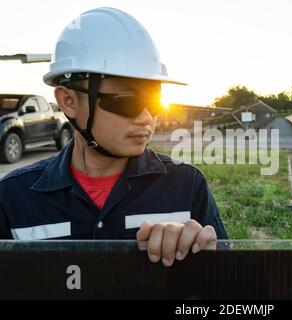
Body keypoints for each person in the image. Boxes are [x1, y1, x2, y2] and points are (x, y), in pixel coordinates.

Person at [0, 7, 228, 267]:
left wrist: (212, 264)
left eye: (154, 102)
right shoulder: (13, 199)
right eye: (126, 101)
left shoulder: (187, 187)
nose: (146, 118)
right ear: (69, 101)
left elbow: (231, 294)